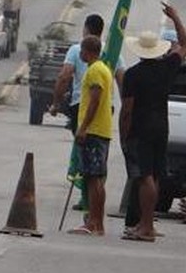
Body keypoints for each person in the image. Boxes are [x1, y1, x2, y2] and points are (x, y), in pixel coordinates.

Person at [119, 2, 186, 243]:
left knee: (144, 176)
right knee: (155, 176)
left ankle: (146, 227)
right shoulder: (167, 68)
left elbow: (127, 110)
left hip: (141, 128)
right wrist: (175, 17)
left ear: (139, 51)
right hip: (161, 126)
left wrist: (125, 134)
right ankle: (145, 223)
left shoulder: (132, 75)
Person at [50, 13, 106, 215]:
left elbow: (65, 76)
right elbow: (121, 78)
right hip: (104, 111)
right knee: (98, 158)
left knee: (85, 156)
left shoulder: (77, 50)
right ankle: (90, 202)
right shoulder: (110, 50)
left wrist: (56, 103)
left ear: (85, 28)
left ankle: (86, 200)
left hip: (81, 106)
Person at [67, 36, 113, 236]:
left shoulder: (94, 70)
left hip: (93, 130)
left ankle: (93, 222)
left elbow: (94, 100)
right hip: (101, 130)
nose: (80, 54)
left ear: (87, 51)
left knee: (93, 178)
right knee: (97, 178)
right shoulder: (103, 68)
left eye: (82, 51)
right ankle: (98, 224)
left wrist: (83, 127)